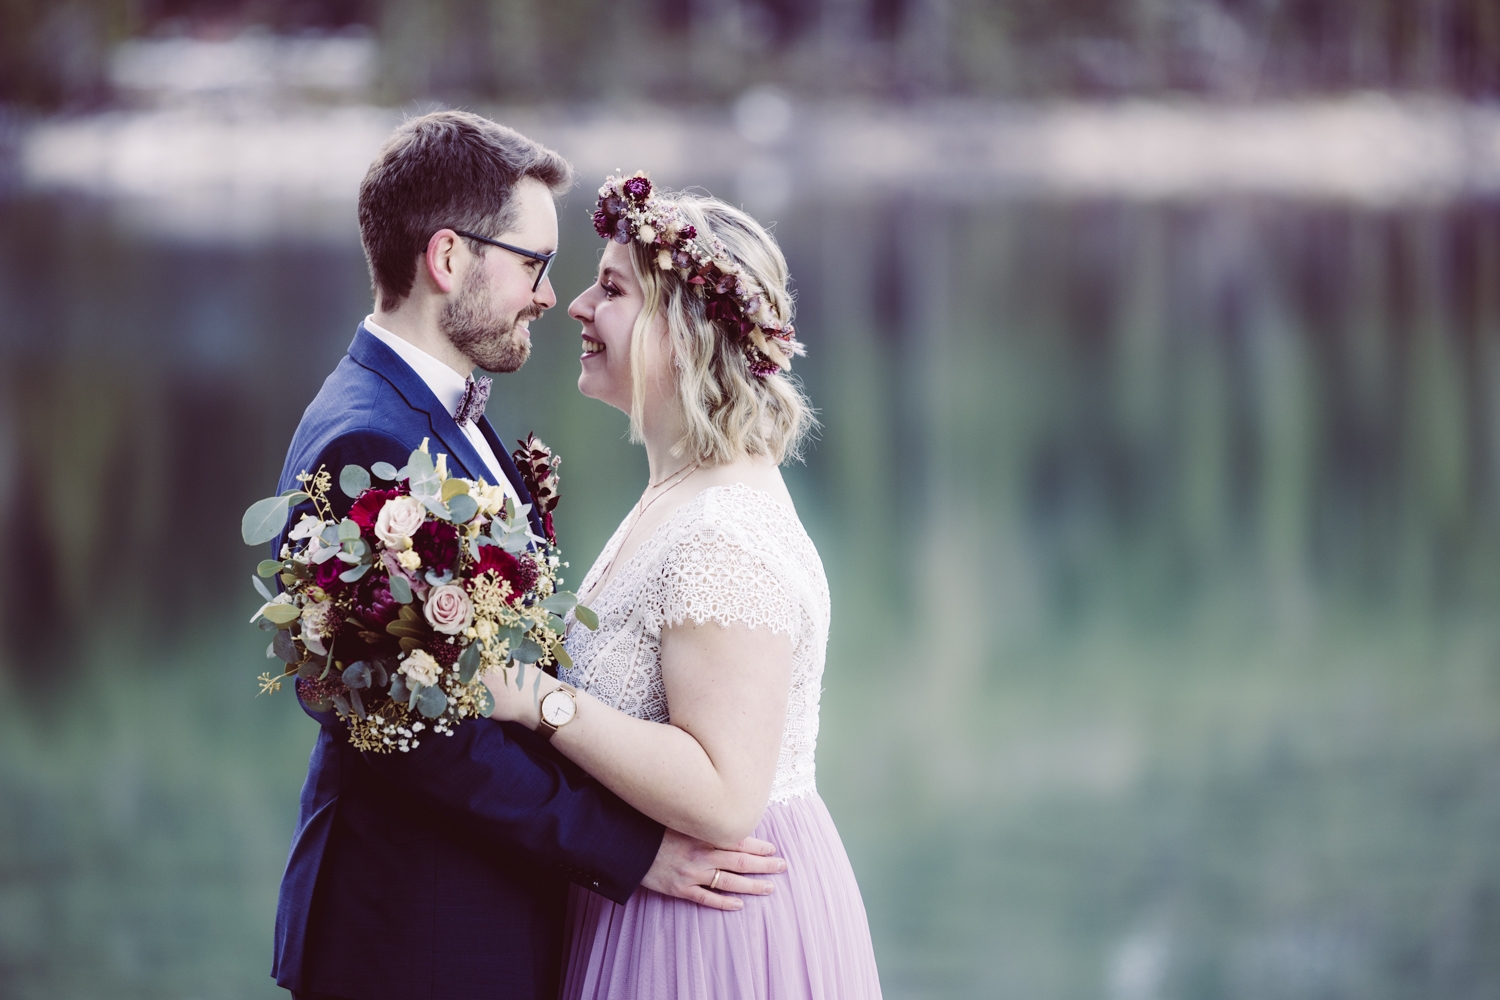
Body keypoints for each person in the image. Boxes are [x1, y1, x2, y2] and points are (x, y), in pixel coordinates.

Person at [270, 111, 785, 1000]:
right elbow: (430, 736)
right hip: (417, 937)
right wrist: (634, 851)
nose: (554, 297)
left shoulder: (434, 411)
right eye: (533, 265)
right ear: (447, 260)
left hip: (477, 913)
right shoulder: (367, 443)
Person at [484, 173, 883, 998]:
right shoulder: (681, 489)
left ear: (683, 330)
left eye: (613, 288)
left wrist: (540, 702)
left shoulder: (724, 532)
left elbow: (727, 791)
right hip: (659, 892)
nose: (578, 307)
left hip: (714, 927)